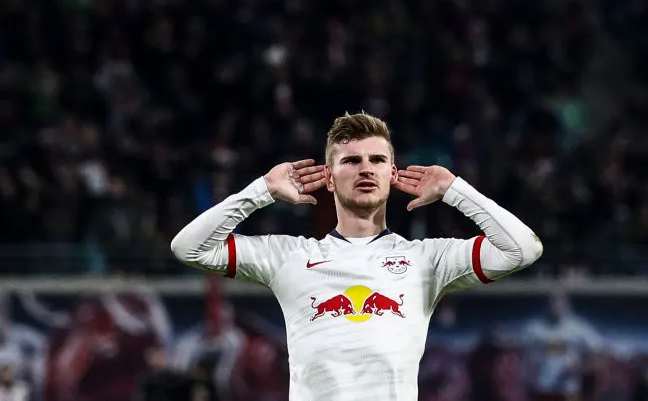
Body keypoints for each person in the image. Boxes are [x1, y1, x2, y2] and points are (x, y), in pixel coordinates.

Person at [171, 112, 543, 401]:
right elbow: (188, 247)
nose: (366, 168)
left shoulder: (426, 259)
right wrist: (261, 191)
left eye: (377, 160)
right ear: (329, 177)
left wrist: (454, 189)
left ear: (392, 173)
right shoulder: (291, 256)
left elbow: (522, 249)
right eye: (351, 161)